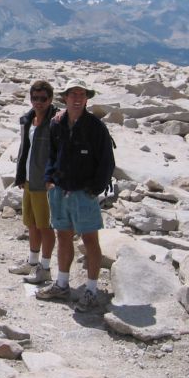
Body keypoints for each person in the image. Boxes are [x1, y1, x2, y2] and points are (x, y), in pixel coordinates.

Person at [36, 78, 114, 312]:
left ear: (87, 99)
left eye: (82, 95)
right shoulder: (57, 124)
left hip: (83, 192)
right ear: (65, 98)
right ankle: (62, 283)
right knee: (63, 236)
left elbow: (107, 162)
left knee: (90, 240)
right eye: (73, 95)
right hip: (60, 189)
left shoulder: (96, 127)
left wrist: (95, 188)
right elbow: (52, 153)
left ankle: (91, 289)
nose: (78, 99)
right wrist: (49, 180)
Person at [8, 80, 58, 285]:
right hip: (28, 179)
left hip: (43, 181)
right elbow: (24, 149)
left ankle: (45, 268)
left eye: (43, 99)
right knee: (31, 224)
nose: (38, 102)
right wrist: (20, 176)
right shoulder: (28, 119)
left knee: (45, 226)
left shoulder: (56, 121)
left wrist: (53, 177)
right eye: (34, 98)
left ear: (50, 99)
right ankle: (32, 261)